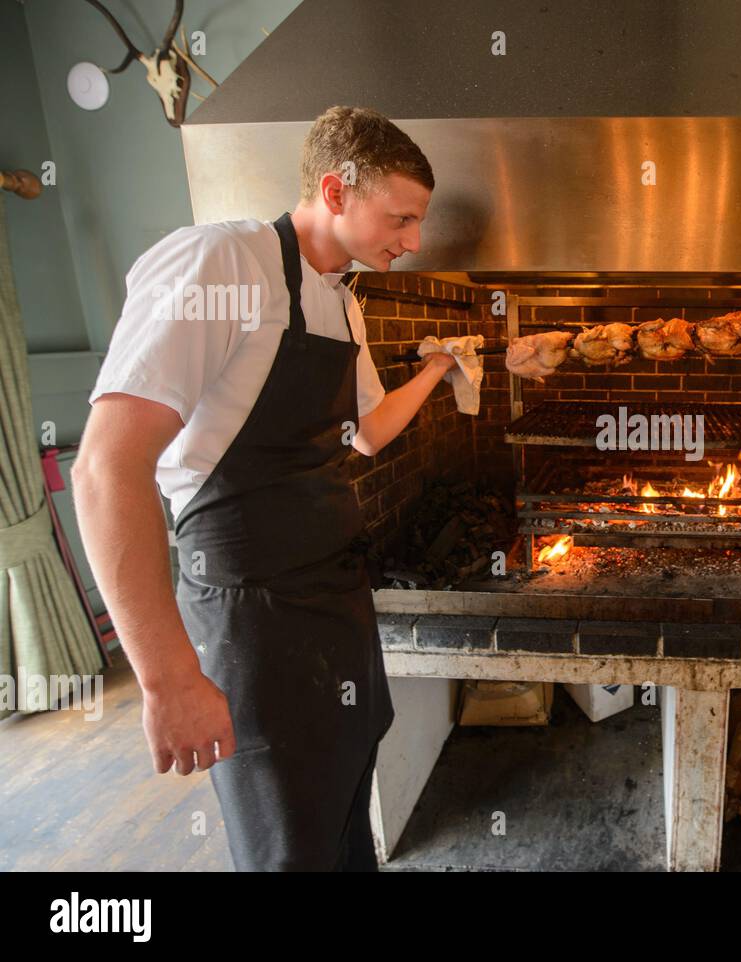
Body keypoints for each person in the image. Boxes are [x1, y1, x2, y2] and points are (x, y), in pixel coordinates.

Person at [73, 106, 457, 871]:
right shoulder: (221, 264)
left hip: (332, 600)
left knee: (346, 816)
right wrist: (169, 677)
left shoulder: (341, 300)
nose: (413, 241)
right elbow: (105, 467)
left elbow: (370, 431)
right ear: (336, 192)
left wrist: (440, 368)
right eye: (402, 217)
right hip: (250, 618)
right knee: (288, 845)